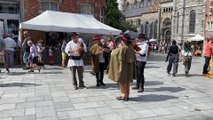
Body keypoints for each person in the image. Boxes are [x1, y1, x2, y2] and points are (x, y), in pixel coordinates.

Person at [108, 33, 136, 101]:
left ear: (123, 41)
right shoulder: (130, 47)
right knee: (125, 82)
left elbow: (113, 54)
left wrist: (114, 49)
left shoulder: (123, 48)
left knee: (123, 82)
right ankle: (125, 95)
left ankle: (124, 95)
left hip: (123, 68)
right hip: (128, 68)